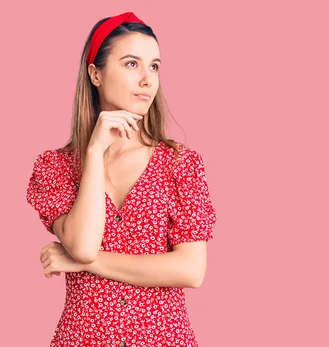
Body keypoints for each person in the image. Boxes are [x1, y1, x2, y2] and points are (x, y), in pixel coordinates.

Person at [25, 12, 217, 347]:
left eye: (154, 66)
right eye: (132, 64)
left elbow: (190, 270)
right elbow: (84, 245)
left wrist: (84, 262)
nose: (147, 80)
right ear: (95, 74)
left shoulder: (179, 164)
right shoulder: (55, 167)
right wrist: (95, 153)